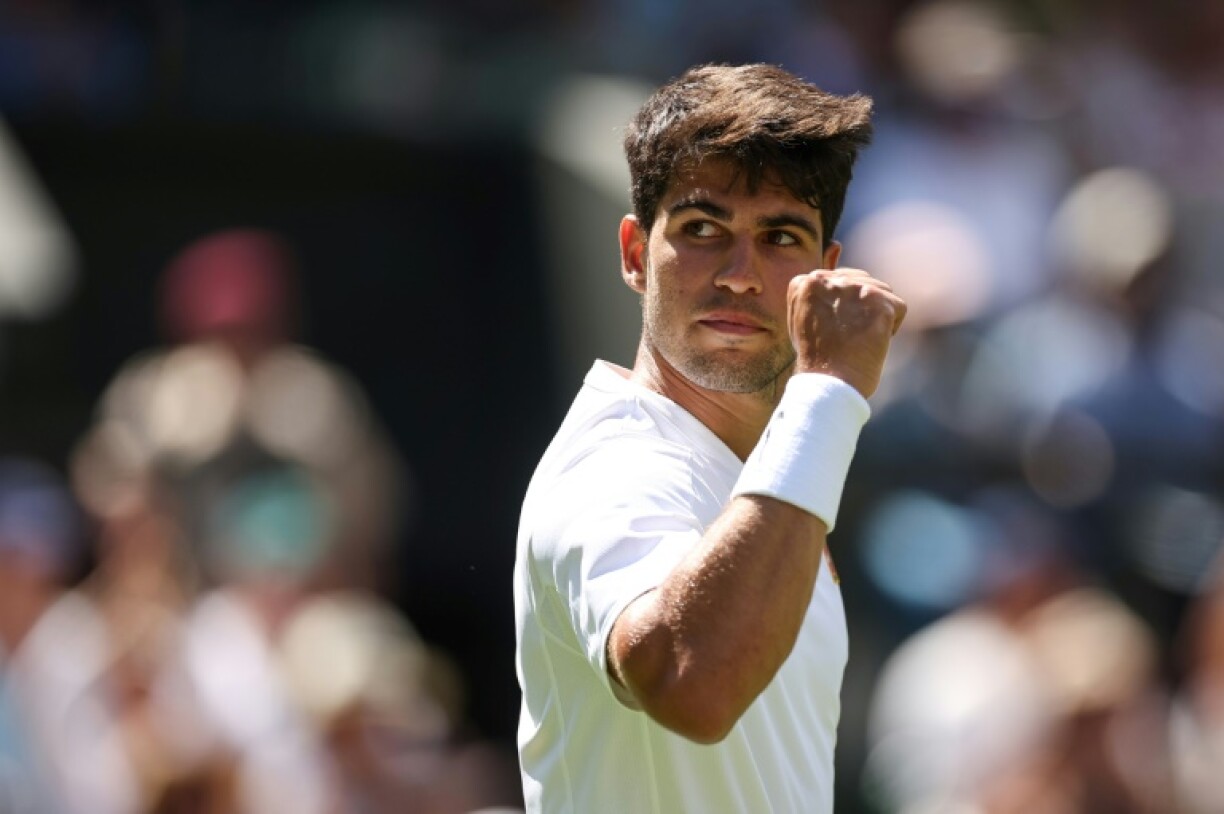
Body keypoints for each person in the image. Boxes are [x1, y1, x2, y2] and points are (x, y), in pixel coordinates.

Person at [513, 63, 907, 813]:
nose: (738, 273)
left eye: (780, 236)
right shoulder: (613, 467)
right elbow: (692, 685)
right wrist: (828, 391)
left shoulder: (775, 477)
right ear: (635, 253)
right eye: (702, 229)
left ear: (824, 273)